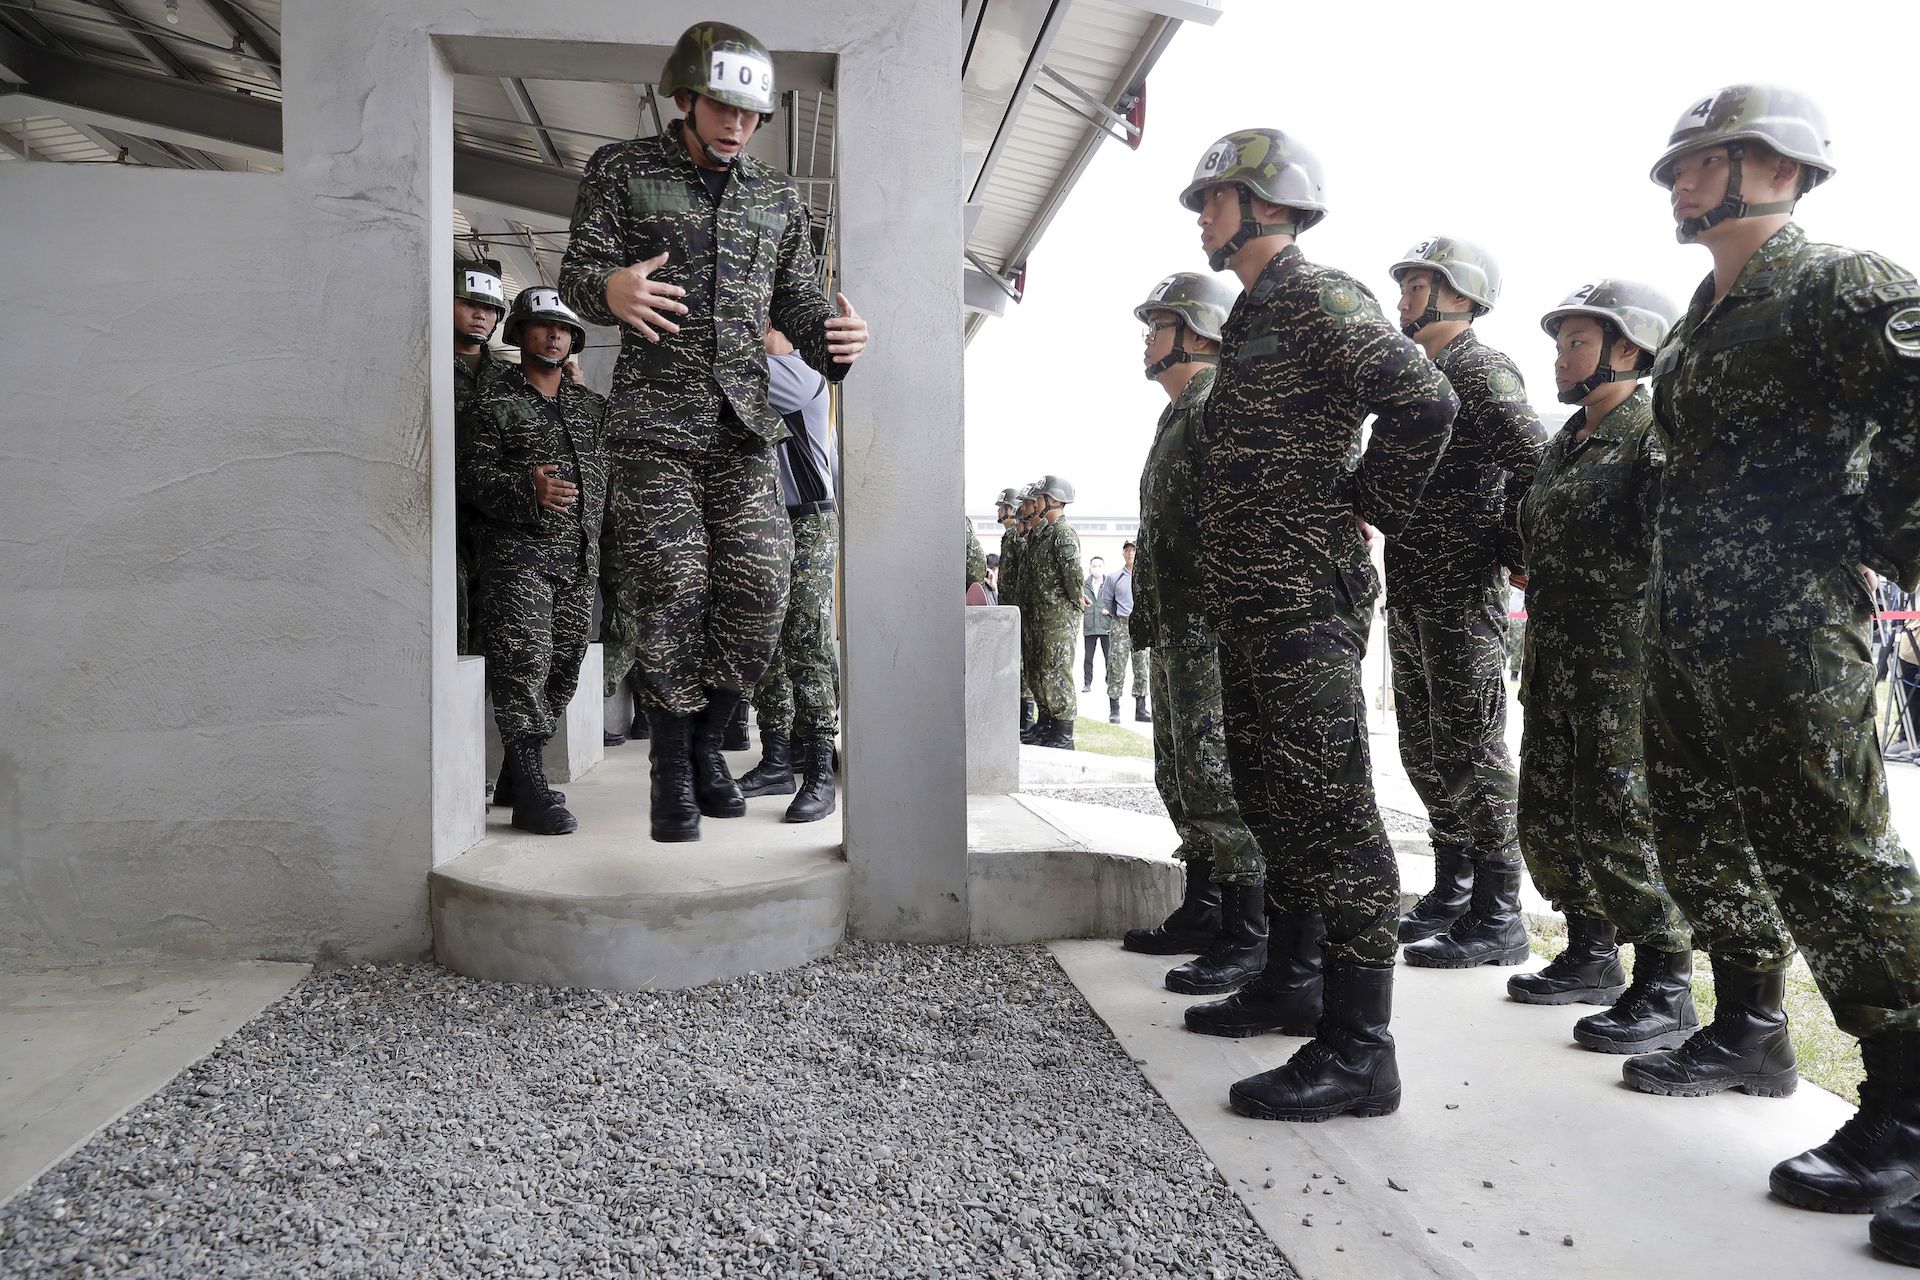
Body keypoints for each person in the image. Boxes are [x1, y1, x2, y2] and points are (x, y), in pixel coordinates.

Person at [1605, 87, 1920, 1247]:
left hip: (1791, 631)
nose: (1684, 177)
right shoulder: (1700, 318)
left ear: (1784, 169)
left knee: (1838, 856)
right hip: (1694, 633)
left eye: (1715, 156)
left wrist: (1880, 522)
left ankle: (1907, 1107)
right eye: (1681, 160)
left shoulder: (1839, 282)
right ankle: (1749, 1025)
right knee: (1702, 835)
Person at [1175, 129, 1457, 1124]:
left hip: (1304, 597)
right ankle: (1294, 977)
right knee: (1270, 788)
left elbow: (1424, 398)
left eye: (1215, 196)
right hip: (1253, 598)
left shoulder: (1323, 296)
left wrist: (1367, 500)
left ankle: (1359, 1048)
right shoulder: (1255, 310)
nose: (1200, 211)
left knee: (1332, 809)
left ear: (1266, 203)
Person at [558, 21, 868, 843]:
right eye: (723, 106)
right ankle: (672, 773)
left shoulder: (775, 199)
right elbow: (580, 275)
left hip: (743, 432)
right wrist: (610, 292)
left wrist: (832, 341)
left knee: (762, 591)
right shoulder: (622, 172)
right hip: (655, 425)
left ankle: (703, 740)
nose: (737, 124)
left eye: (751, 113)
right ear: (687, 97)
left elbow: (799, 302)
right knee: (672, 590)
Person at [1505, 280, 1710, 1055]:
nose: (1561, 356)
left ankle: (1664, 982)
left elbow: (1682, 536)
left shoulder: (1650, 430)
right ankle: (1591, 953)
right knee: (1553, 809)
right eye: (1560, 343)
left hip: (1622, 664)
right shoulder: (1570, 438)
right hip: (1557, 659)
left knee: (1623, 811)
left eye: (1577, 342)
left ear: (1628, 349)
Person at [1383, 237, 1548, 969]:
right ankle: (1453, 890)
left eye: (1415, 286)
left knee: (1473, 747)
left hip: (1460, 592)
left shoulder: (1480, 370)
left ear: (1457, 293)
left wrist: (1515, 548)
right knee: (1423, 746)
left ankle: (1499, 912)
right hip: (1417, 589)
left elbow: (1536, 463)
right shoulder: (1425, 377)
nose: (1401, 298)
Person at [1120, 270, 1269, 999]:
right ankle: (1205, 906)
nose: (1148, 338)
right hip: (1178, 627)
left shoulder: (1217, 406)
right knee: (1181, 772)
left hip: (1212, 627)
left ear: (1198, 334)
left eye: (1160, 324)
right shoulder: (1177, 412)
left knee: (1219, 774)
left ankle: (1248, 931)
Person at [458, 287, 607, 836]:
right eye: (542, 326)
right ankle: (529, 790)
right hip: (517, 560)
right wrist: (528, 488)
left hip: (578, 560)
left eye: (563, 329)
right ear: (517, 332)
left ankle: (518, 780)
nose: (553, 336)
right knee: (523, 670)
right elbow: (469, 480)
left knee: (563, 671)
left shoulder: (593, 409)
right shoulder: (488, 405)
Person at [735, 327, 841, 822]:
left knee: (806, 638)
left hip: (809, 519)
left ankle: (820, 767)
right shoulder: (763, 380)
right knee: (766, 644)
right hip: (767, 520)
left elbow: (722, 379)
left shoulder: (801, 379)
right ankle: (777, 760)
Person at [454, 257, 512, 661]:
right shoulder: (423, 363)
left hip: (493, 517)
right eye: (469, 303)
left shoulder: (511, 379)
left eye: (490, 308)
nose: (481, 315)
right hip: (441, 513)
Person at [1021, 476, 1083, 750]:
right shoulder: (1046, 533)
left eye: (1039, 499)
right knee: (1043, 672)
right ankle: (1047, 725)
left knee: (1057, 672)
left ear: (1054, 500)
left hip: (1057, 618)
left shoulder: (1063, 533)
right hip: (1042, 616)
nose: (1034, 504)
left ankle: (1064, 735)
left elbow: (1073, 577)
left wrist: (1074, 608)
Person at [1101, 543, 1151, 724]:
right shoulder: (1114, 577)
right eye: (1127, 550)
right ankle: (1114, 709)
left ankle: (1141, 708)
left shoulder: (1145, 577)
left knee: (1142, 667)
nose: (1131, 553)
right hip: (1121, 624)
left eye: (1134, 550)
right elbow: (1107, 601)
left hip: (1140, 625)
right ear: (1123, 553)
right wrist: (1118, 616)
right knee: (1116, 667)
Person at [1082, 555, 1110, 692]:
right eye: (1094, 566)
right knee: (1088, 658)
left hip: (1106, 625)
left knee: (1109, 656)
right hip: (1090, 626)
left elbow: (1117, 602)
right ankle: (1087, 683)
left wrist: (1109, 611)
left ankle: (1110, 681)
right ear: (1090, 568)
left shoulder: (1109, 584)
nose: (1097, 569)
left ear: (1103, 567)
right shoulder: (1084, 586)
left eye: (1099, 566)